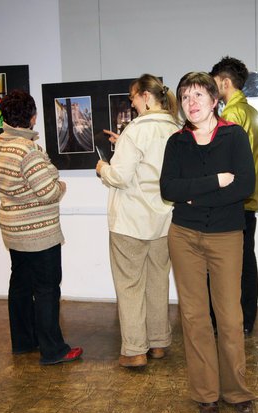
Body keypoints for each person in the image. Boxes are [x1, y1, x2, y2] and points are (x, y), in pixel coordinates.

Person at [160, 72, 256, 413]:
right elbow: (169, 188)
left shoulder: (234, 136)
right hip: (183, 236)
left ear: (215, 100)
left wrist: (193, 195)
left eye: (199, 95)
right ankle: (206, 395)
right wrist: (215, 181)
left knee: (229, 317)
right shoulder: (177, 142)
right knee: (194, 317)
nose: (192, 102)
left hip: (225, 236)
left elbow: (244, 186)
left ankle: (236, 391)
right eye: (185, 97)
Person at [0, 89, 83, 365]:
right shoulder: (29, 151)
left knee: (20, 285)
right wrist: (59, 182)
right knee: (46, 289)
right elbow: (49, 191)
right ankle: (53, 350)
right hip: (39, 233)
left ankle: (24, 341)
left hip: (13, 230)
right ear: (32, 117)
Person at [96, 74, 179, 368]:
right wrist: (124, 144)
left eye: (132, 97)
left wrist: (103, 167)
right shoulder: (176, 128)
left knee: (129, 285)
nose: (131, 103)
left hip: (130, 222)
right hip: (164, 220)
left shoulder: (136, 129)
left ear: (145, 95)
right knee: (157, 282)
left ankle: (134, 350)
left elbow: (120, 177)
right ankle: (158, 343)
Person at [210, 57, 258, 335]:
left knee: (229, 266)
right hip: (249, 200)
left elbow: (223, 161)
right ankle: (247, 320)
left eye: (214, 83)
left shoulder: (231, 115)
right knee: (247, 260)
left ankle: (233, 322)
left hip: (232, 202)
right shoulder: (252, 112)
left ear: (225, 82)